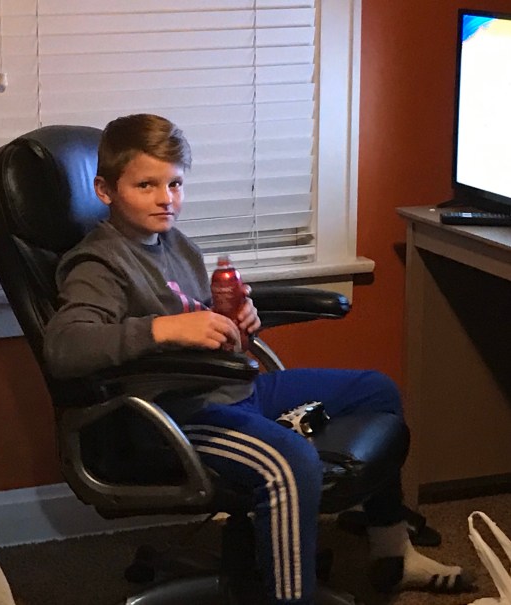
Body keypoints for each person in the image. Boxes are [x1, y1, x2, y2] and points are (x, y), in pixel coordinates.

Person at [43, 113, 471, 605]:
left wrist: (236, 317)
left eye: (175, 184)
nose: (166, 199)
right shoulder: (99, 263)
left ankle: (392, 553)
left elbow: (194, 315)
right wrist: (164, 328)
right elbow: (65, 346)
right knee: (289, 463)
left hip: (229, 390)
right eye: (146, 185)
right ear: (104, 190)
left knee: (377, 390)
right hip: (177, 415)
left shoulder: (174, 243)